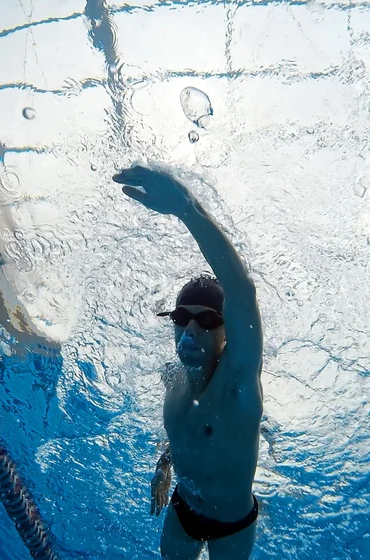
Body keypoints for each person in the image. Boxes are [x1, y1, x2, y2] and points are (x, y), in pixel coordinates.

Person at [113, 164, 263, 560]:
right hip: (183, 508)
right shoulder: (173, 377)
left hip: (231, 524)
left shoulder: (239, 384)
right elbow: (183, 431)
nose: (191, 331)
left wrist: (186, 208)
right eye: (182, 318)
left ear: (227, 331)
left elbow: (243, 291)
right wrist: (164, 466)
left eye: (208, 320)